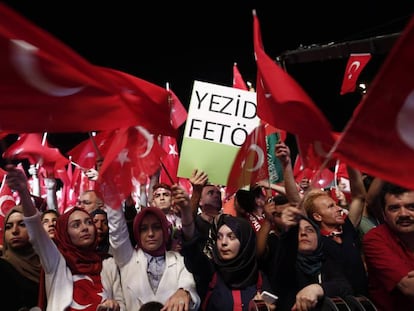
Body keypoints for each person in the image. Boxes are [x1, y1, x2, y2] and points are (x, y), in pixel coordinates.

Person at [6, 165, 123, 311]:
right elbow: (36, 231)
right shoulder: (56, 261)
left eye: (88, 222)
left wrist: (115, 306)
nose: (85, 227)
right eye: (76, 225)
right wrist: (24, 192)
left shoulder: (108, 263)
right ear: (65, 234)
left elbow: (122, 304)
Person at [104, 187, 200, 311]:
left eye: (156, 227)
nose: (150, 234)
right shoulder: (127, 259)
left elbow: (190, 288)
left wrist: (185, 292)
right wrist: (110, 186)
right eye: (143, 229)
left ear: (165, 230)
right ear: (137, 233)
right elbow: (117, 229)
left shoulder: (180, 260)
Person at [180, 211, 275, 311]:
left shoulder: (259, 278)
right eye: (219, 237)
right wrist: (185, 210)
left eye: (231, 237)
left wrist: (263, 308)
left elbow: (271, 305)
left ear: (245, 242)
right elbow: (192, 250)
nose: (223, 243)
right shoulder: (210, 272)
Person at [363, 182, 414, 310]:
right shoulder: (375, 238)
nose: (403, 214)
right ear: (384, 214)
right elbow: (410, 288)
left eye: (411, 207)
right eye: (394, 208)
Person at [0, 205, 42, 310]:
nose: (14, 231)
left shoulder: (49, 263)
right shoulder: (2, 267)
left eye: (22, 224)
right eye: (8, 227)